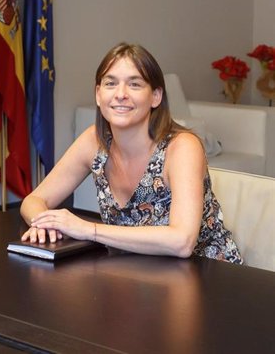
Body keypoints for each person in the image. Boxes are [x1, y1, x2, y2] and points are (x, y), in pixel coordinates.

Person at [20, 42, 243, 263]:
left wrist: (87, 229)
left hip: (206, 276)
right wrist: (43, 223)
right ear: (98, 95)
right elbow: (34, 199)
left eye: (134, 84)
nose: (120, 94)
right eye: (110, 83)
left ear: (155, 96)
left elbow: (182, 241)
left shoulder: (183, 147)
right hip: (134, 274)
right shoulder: (94, 140)